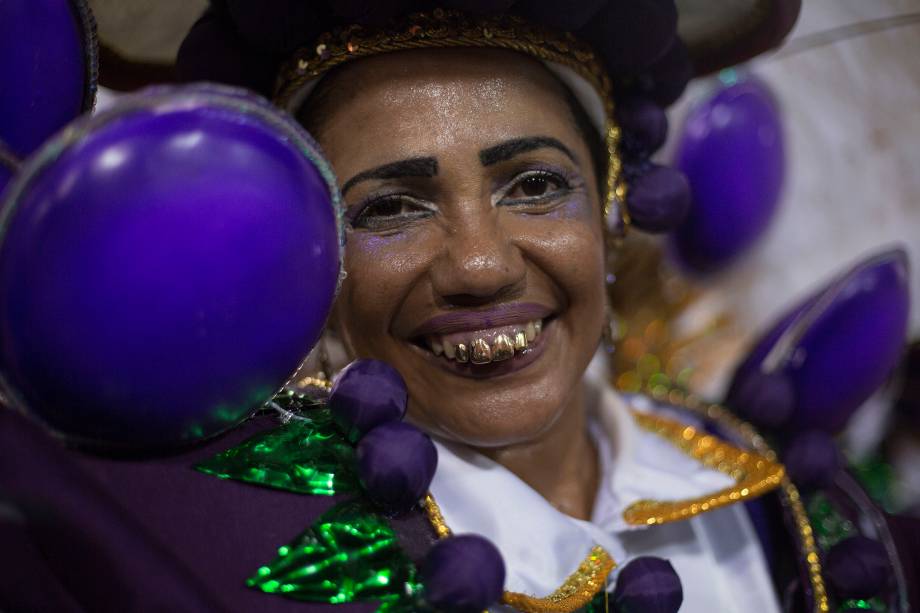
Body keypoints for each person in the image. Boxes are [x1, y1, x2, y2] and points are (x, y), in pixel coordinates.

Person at [4, 2, 912, 612]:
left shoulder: (795, 498)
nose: (479, 264)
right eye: (391, 207)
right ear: (309, 256)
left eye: (534, 185)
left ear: (611, 206)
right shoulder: (179, 521)